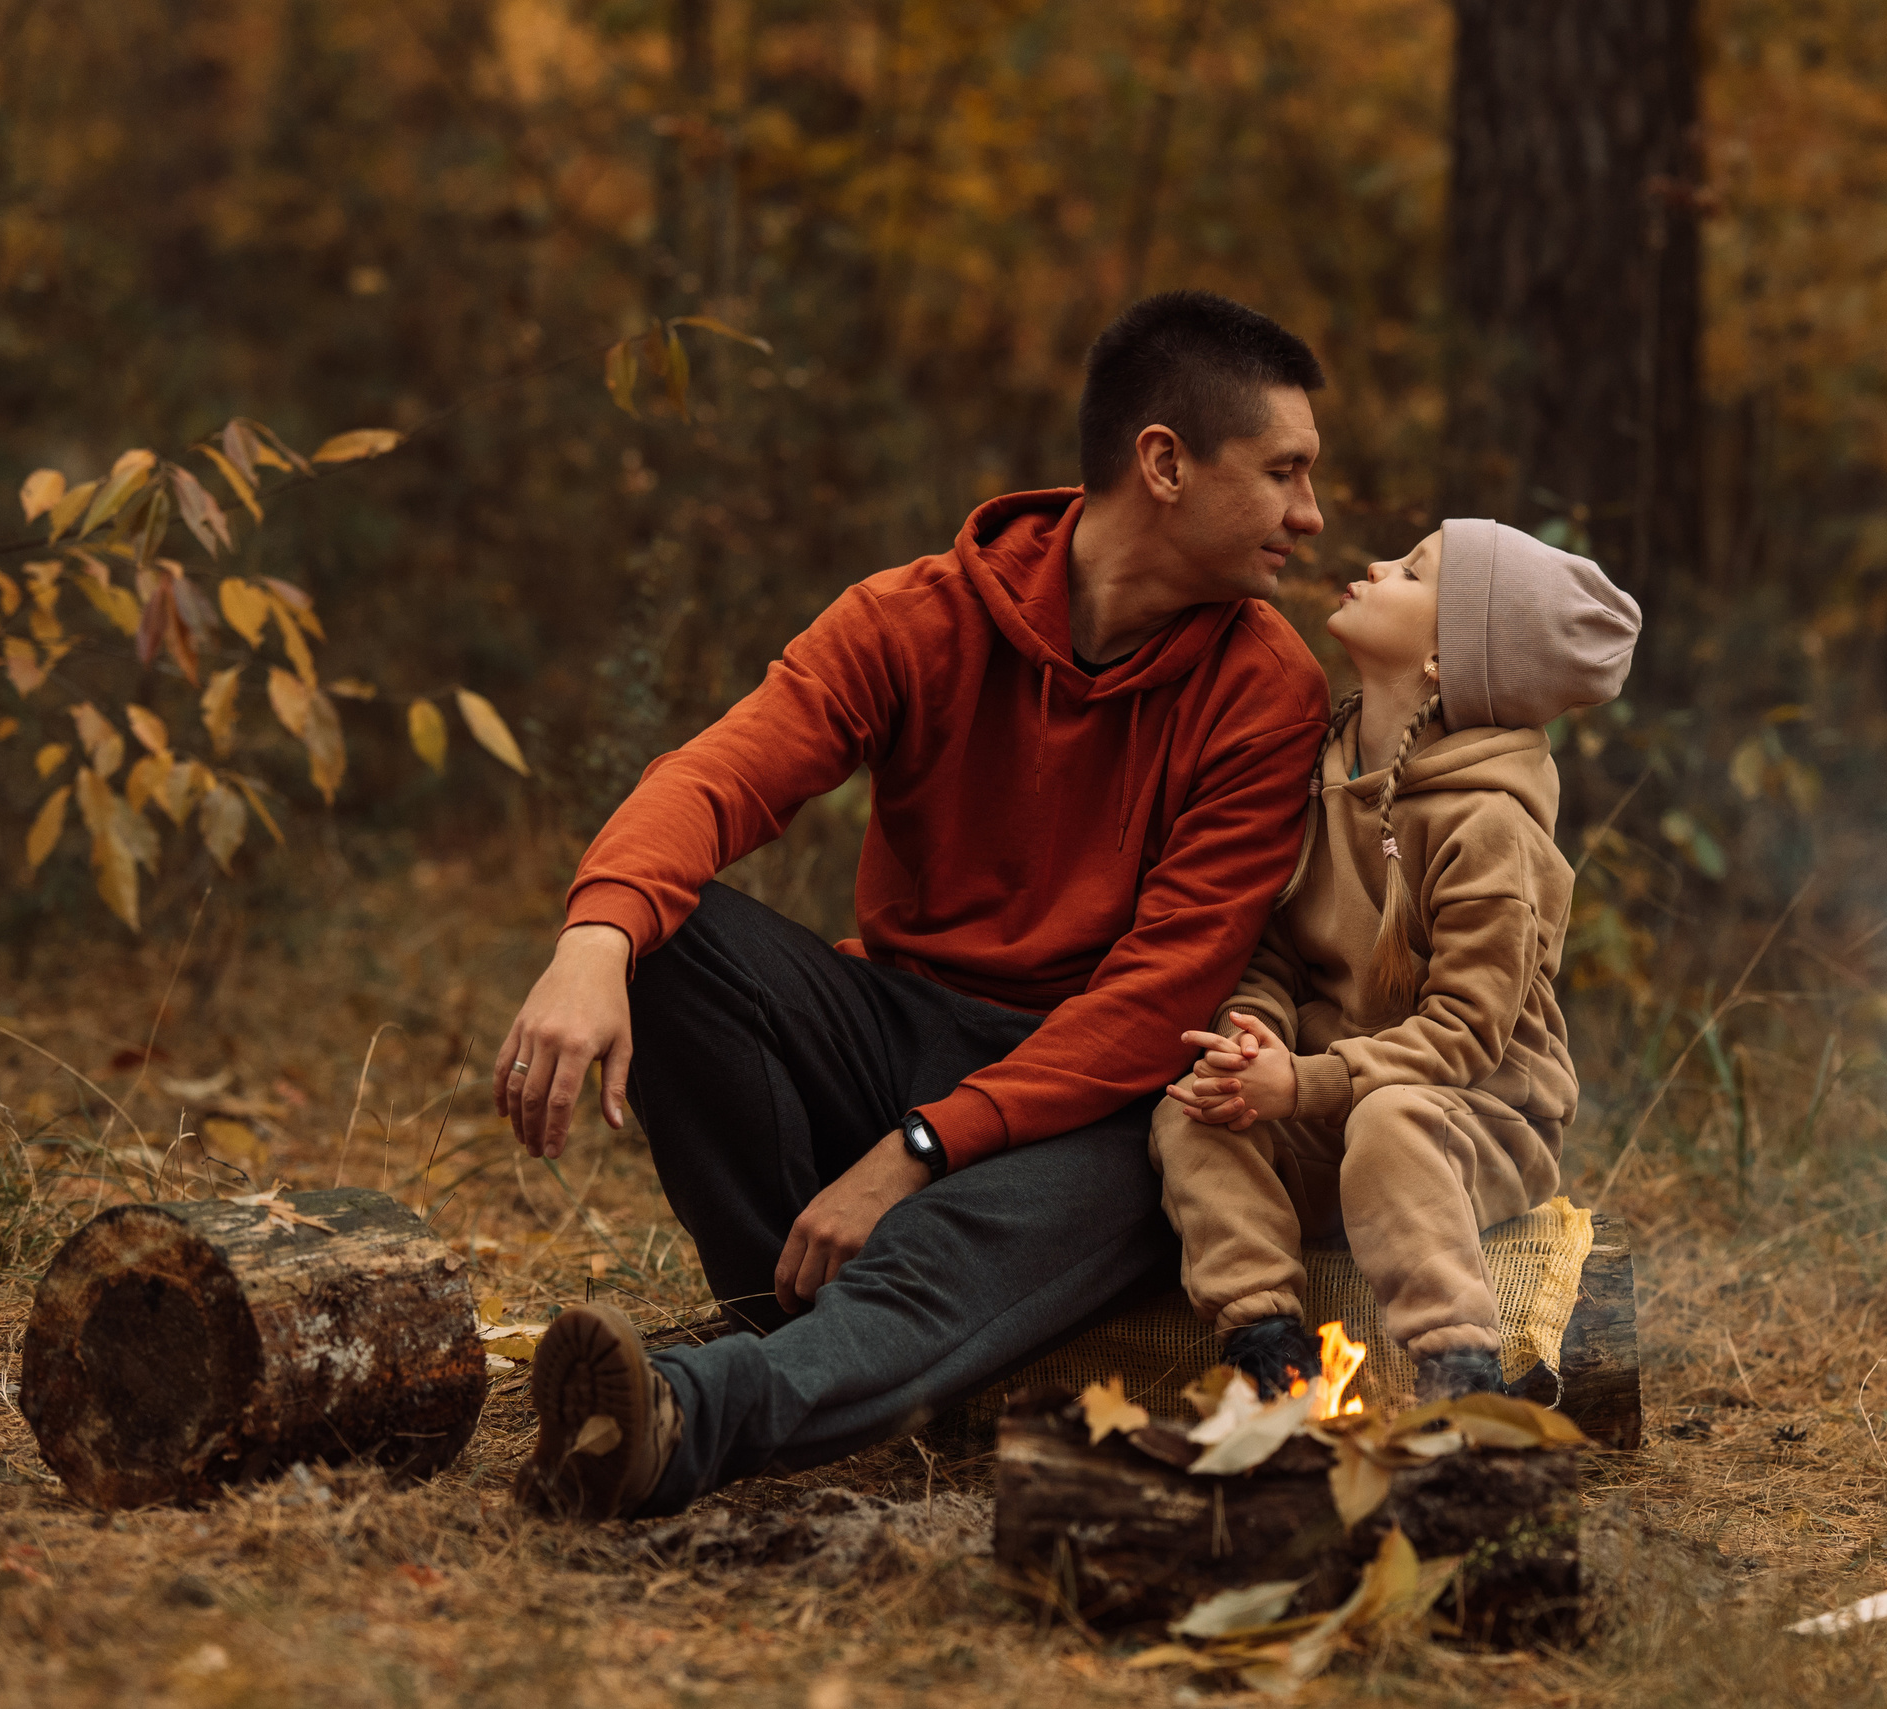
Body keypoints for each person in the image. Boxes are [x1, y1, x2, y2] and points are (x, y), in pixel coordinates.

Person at [492, 291, 1334, 1520]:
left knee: (1040, 1205)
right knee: (679, 945)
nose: (1309, 517)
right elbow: (716, 776)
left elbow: (1164, 995)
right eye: (1283, 473)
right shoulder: (915, 616)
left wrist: (923, 1147)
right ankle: (814, 1331)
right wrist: (594, 941)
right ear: (1164, 462)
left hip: (1093, 1101)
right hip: (897, 1027)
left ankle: (682, 1418)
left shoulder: (1268, 688)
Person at [1153, 520, 1639, 1403]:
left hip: (1475, 1122)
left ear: (1444, 663)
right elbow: (1274, 953)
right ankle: (1270, 1351)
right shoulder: (1322, 771)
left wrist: (1304, 1084)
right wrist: (1252, 1037)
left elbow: (1464, 1036)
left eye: (1413, 573)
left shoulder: (1490, 826)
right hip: (1330, 1104)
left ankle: (1462, 1372)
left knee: (1392, 1122)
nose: (1378, 565)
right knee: (1190, 1114)